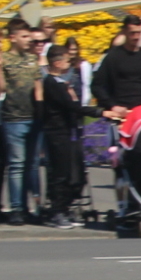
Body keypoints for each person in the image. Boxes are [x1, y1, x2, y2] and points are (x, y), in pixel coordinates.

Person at [34, 44, 92, 227]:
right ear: (57, 63)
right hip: (57, 132)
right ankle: (57, 212)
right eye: (67, 61)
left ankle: (64, 210)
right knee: (60, 174)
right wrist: (98, 112)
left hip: (66, 131)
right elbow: (71, 106)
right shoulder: (52, 84)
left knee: (68, 172)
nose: (69, 64)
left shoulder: (60, 83)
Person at [0, 22, 44, 224]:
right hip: (13, 117)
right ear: (13, 38)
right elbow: (1, 88)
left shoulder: (33, 59)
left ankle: (32, 206)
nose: (29, 40)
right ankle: (16, 208)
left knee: (31, 164)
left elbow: (38, 86)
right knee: (16, 164)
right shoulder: (5, 59)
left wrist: (40, 109)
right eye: (24, 36)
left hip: (33, 117)